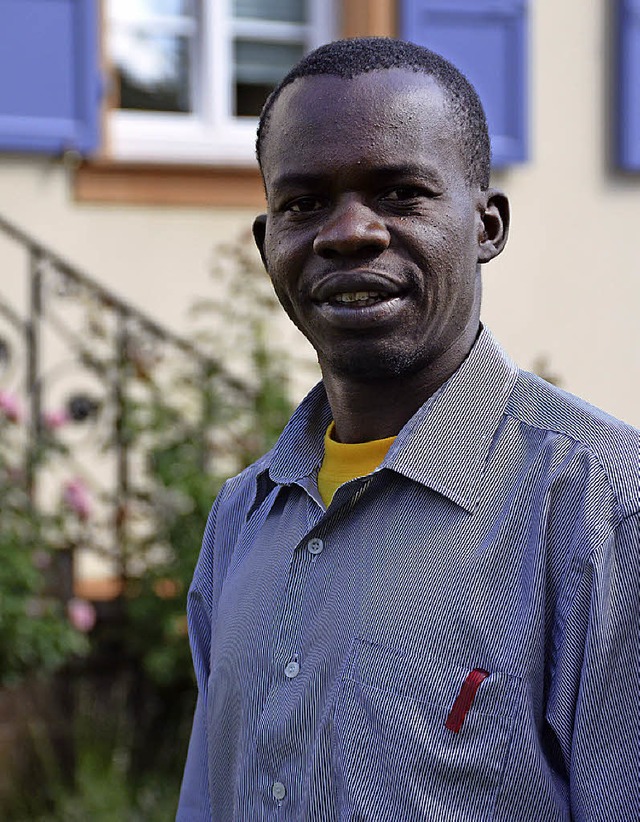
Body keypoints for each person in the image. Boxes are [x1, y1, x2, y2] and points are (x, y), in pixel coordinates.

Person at [177, 38, 639, 821]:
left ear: (487, 225)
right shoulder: (242, 520)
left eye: (399, 194)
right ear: (268, 247)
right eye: (304, 203)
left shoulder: (604, 512)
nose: (349, 231)